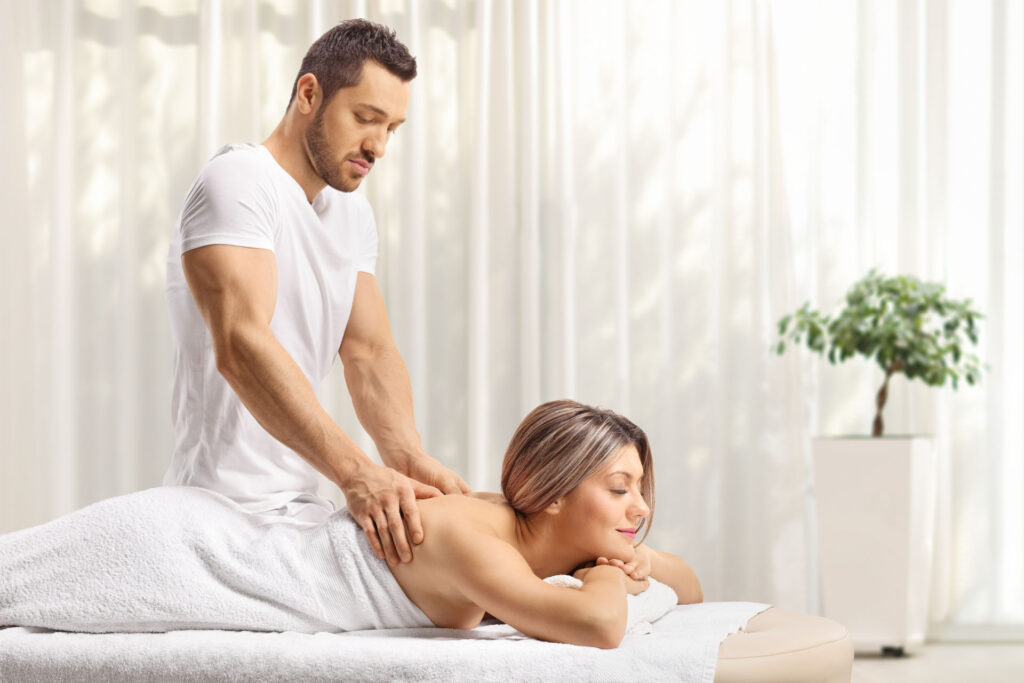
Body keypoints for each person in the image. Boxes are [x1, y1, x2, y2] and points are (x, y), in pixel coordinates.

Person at [0, 401, 702, 649]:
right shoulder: (474, 541)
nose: (640, 509)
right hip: (186, 552)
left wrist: (633, 561)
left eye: (640, 490)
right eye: (620, 489)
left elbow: (690, 586)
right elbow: (599, 627)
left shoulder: (526, 535)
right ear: (551, 496)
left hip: (215, 542)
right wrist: (614, 574)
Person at [163, 18, 468, 567]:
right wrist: (356, 473)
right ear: (309, 94)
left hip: (303, 508)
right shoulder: (239, 182)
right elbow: (241, 345)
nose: (378, 146)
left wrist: (404, 455)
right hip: (219, 511)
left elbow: (368, 351)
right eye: (365, 118)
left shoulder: (351, 214)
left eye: (392, 128)